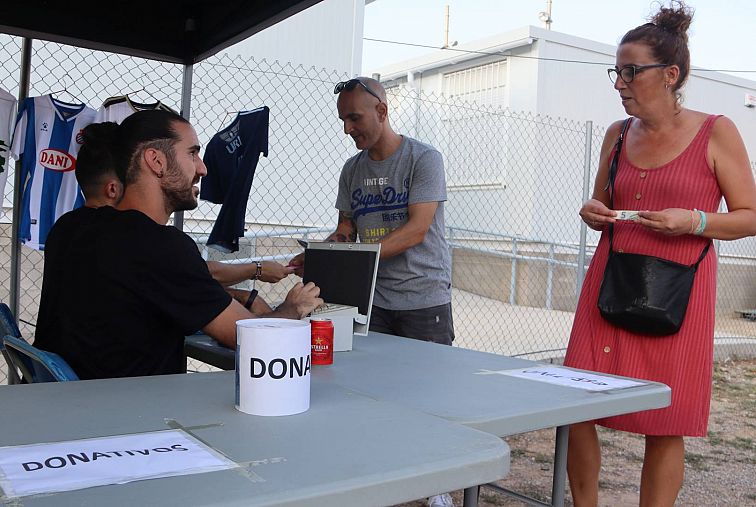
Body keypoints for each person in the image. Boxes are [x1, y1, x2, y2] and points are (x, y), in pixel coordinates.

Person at [567, 3, 756, 506]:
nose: (619, 83)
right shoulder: (617, 134)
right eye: (617, 71)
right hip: (610, 279)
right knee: (575, 402)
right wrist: (594, 210)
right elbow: (603, 202)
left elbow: (749, 215)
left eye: (631, 71)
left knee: (665, 418)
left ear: (670, 75)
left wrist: (692, 220)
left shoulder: (717, 131)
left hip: (680, 289)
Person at [34, 110, 322, 379]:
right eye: (193, 153)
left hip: (66, 407)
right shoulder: (158, 245)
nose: (203, 169)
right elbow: (253, 341)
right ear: (156, 161)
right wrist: (294, 307)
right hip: (130, 420)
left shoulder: (70, 227)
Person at [290, 77, 454, 346]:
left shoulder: (424, 158)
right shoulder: (351, 169)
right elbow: (345, 231)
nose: (347, 129)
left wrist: (344, 261)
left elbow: (416, 231)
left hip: (423, 300)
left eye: (354, 118)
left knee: (426, 384)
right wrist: (319, 259)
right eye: (343, 119)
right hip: (371, 299)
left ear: (381, 112)